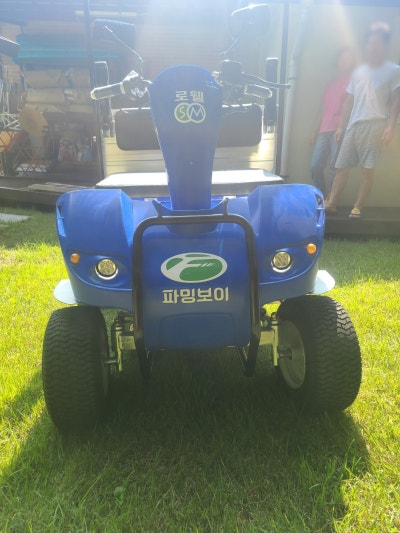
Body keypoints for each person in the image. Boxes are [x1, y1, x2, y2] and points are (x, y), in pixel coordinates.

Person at [325, 22, 400, 218]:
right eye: (370, 43)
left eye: (377, 44)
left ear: (384, 47)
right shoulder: (358, 72)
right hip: (353, 126)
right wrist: (340, 127)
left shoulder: (393, 70)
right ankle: (332, 203)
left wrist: (391, 127)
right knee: (341, 167)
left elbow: (396, 100)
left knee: (367, 170)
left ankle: (357, 207)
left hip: (376, 124)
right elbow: (349, 101)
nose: (373, 47)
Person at [310, 47, 355, 198]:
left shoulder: (353, 82)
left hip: (341, 129)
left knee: (335, 168)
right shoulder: (330, 84)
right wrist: (314, 131)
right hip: (324, 130)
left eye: (348, 58)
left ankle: (330, 199)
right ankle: (322, 195)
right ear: (337, 61)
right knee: (315, 165)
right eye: (342, 58)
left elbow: (352, 107)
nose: (345, 61)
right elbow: (322, 109)